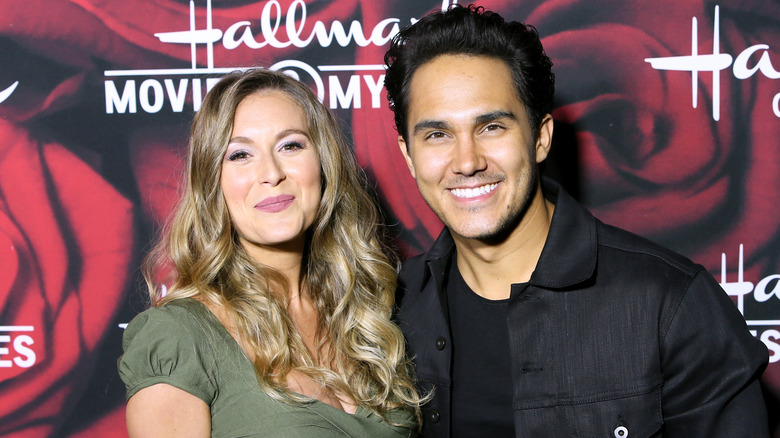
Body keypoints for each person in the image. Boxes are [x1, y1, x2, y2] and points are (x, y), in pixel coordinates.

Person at [384, 4, 769, 437]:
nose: (467, 161)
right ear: (409, 156)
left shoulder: (669, 303)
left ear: (541, 137)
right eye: (437, 135)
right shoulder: (387, 311)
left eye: (491, 127)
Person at [118, 68, 424, 437]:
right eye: (240, 154)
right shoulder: (180, 336)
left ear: (324, 164)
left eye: (291, 145)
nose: (272, 172)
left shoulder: (370, 314)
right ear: (212, 183)